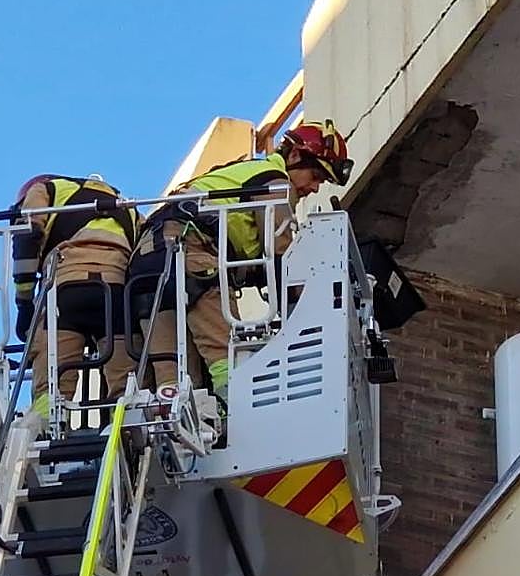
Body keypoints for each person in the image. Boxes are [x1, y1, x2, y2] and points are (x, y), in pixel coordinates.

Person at [129, 119, 353, 412]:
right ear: (295, 156)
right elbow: (281, 253)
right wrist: (306, 308)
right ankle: (240, 414)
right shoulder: (274, 180)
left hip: (148, 261)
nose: (314, 187)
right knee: (225, 357)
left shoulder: (244, 172)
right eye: (315, 176)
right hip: (190, 253)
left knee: (174, 376)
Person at [12, 173, 142, 428]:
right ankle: (128, 431)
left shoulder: (46, 189)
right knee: (126, 381)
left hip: (65, 292)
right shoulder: (130, 209)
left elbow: (28, 235)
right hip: (117, 294)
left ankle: (46, 428)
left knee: (52, 383)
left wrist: (24, 305)